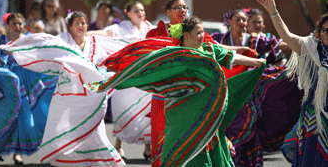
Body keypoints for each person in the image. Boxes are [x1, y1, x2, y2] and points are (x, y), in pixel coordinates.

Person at [85, 16, 266, 166]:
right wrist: (120, 75)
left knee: (211, 155)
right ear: (186, 34)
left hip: (206, 115)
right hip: (180, 114)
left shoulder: (209, 49)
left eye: (203, 32)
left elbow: (232, 57)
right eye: (198, 33)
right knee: (179, 153)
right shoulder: (174, 56)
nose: (203, 35)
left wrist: (258, 63)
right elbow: (147, 65)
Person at [0, 11, 127, 166]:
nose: (81, 26)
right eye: (77, 23)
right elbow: (45, 45)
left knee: (95, 126)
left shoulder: (94, 43)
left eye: (83, 23)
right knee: (67, 124)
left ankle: (96, 157)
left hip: (90, 93)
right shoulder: (63, 40)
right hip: (69, 91)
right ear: (70, 26)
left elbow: (103, 61)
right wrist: (18, 47)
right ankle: (70, 157)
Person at [211, 8, 303, 167]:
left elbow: (279, 44)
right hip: (226, 92)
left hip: (248, 93)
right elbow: (206, 47)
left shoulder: (254, 40)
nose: (241, 23)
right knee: (226, 129)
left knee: (249, 125)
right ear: (229, 21)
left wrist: (304, 44)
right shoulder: (219, 39)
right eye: (238, 19)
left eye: (244, 20)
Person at [257, 0, 328, 166]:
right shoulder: (312, 47)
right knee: (312, 157)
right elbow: (288, 37)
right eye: (324, 30)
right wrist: (273, 12)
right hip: (315, 115)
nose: (327, 33)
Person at [88, 1, 156, 160]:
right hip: (126, 76)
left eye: (142, 10)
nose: (140, 13)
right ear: (128, 13)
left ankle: (148, 148)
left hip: (144, 76)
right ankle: (118, 146)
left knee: (146, 111)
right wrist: (87, 34)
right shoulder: (121, 28)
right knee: (123, 109)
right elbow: (107, 35)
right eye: (136, 10)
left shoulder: (149, 28)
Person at [0, 13, 58, 165]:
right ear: (8, 26)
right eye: (14, 24)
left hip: (30, 80)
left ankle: (27, 152)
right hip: (8, 85)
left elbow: (43, 50)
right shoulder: (0, 41)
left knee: (32, 116)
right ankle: (8, 149)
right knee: (11, 117)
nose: (17, 27)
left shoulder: (29, 38)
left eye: (20, 23)